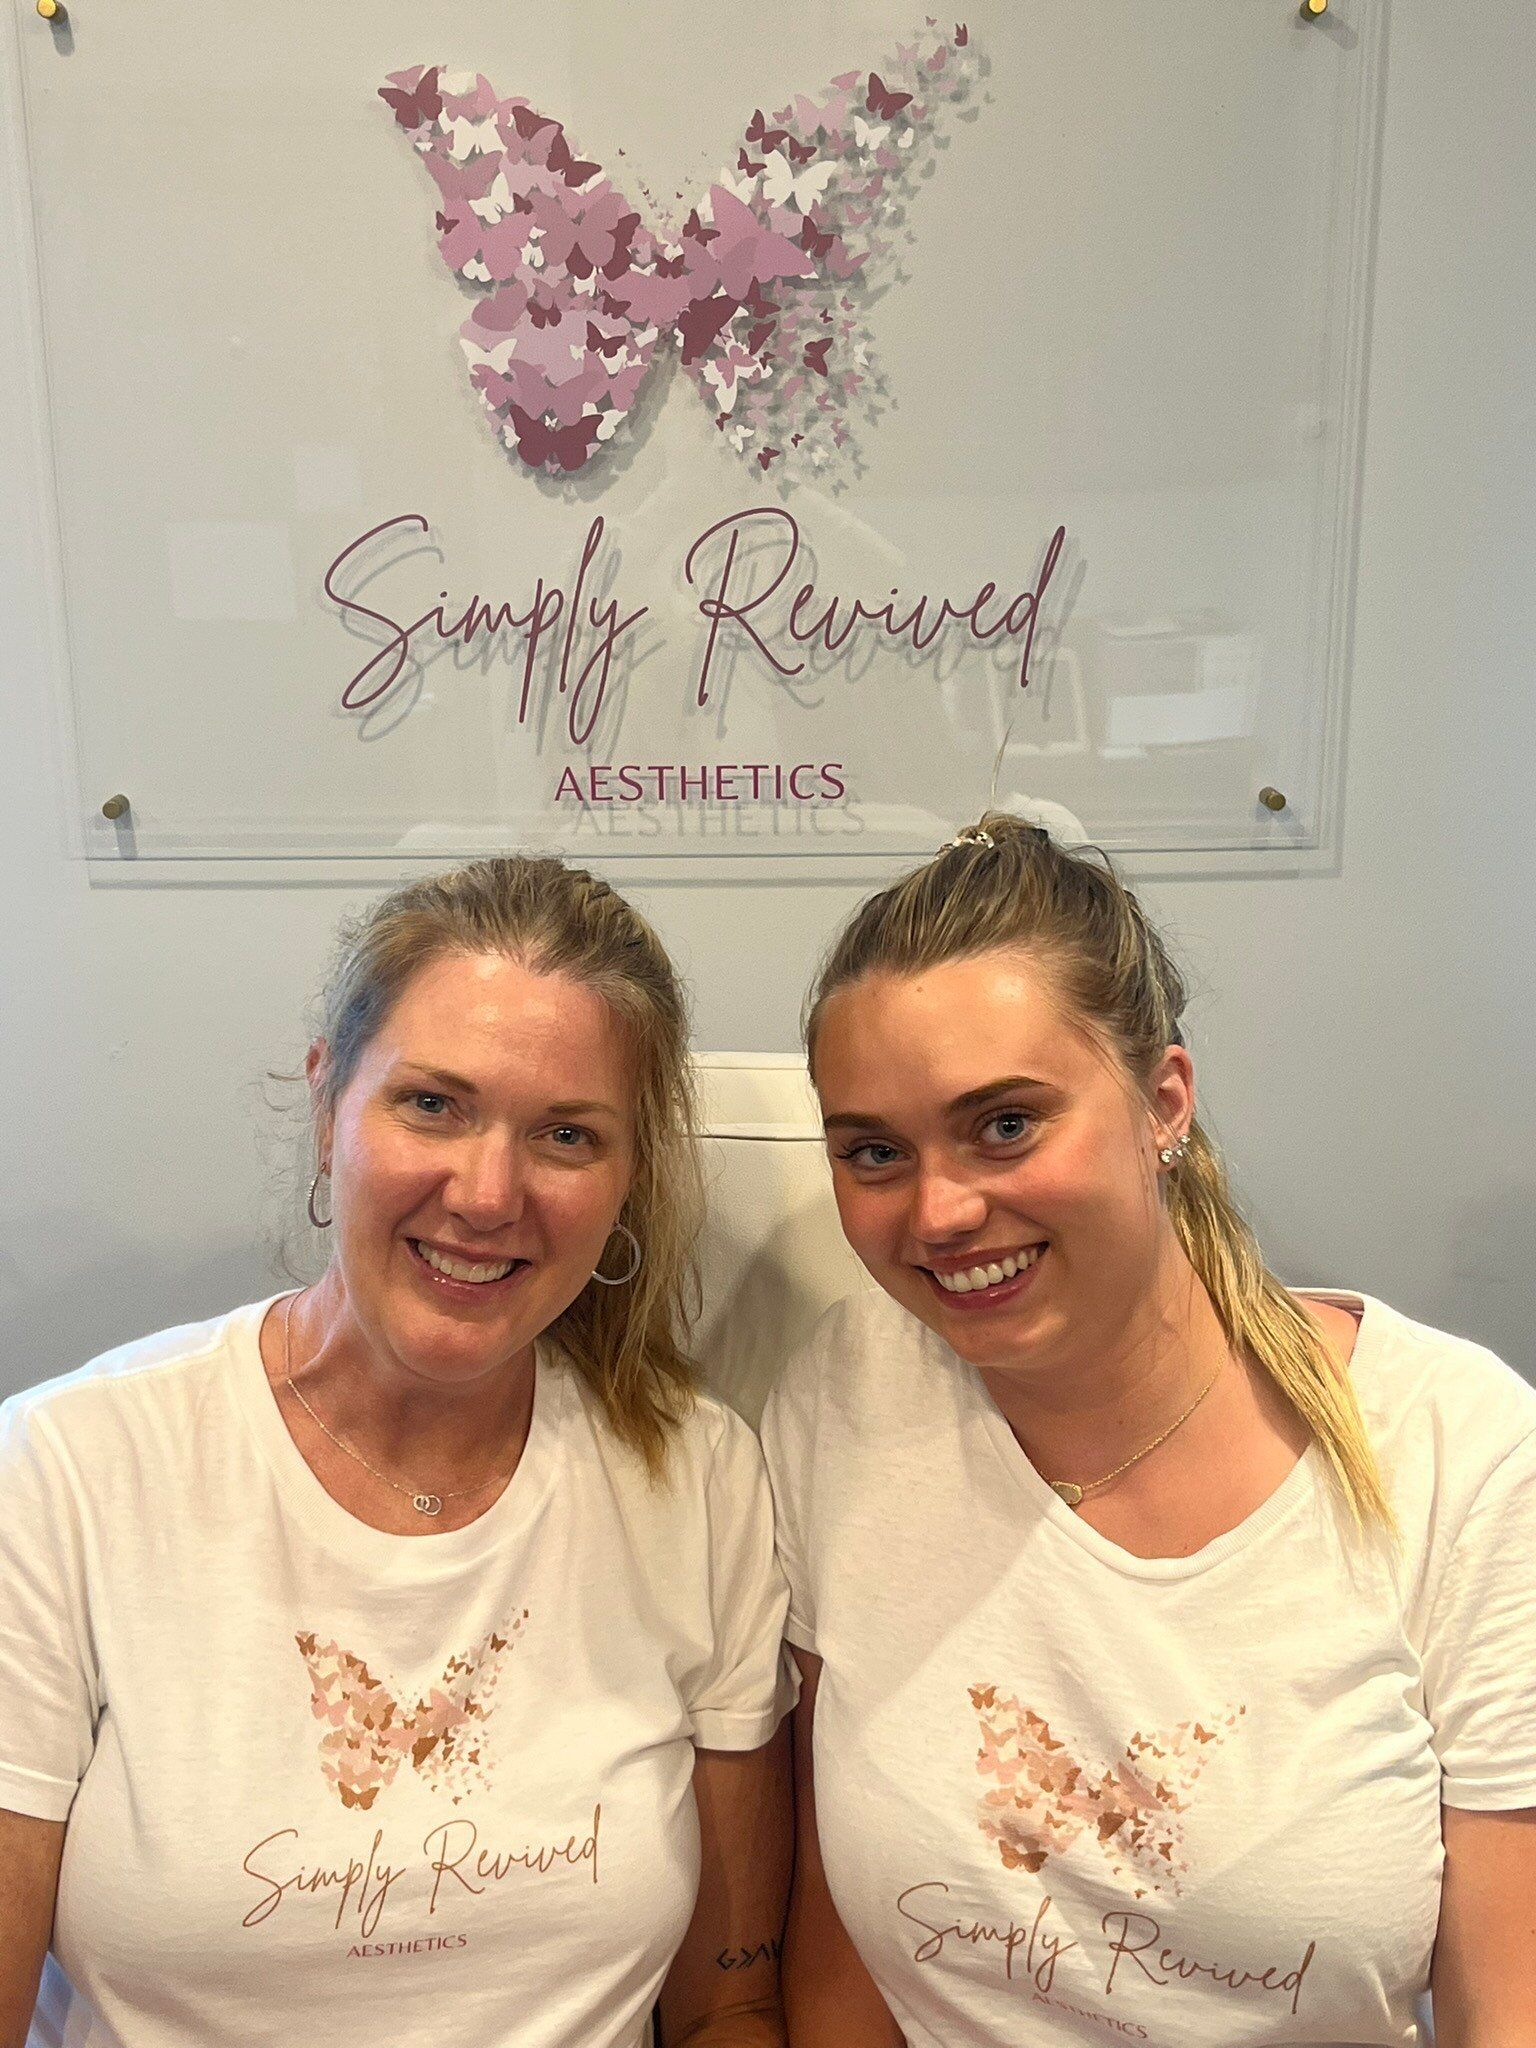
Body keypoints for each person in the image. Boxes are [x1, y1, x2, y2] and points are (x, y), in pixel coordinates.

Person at [759, 813, 1536, 2048]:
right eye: (875, 1151)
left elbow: (1508, 2003)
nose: (940, 1210)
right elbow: (841, 1949)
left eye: (1006, 1124)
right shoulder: (845, 1399)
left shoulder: (1458, 1446)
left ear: (1163, 1100)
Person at [0, 855, 793, 2048]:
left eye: (567, 1134)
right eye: (433, 1104)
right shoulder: (66, 1468)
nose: (487, 1192)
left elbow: (727, 2004)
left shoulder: (698, 1479)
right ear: (329, 1104)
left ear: (628, 1176)